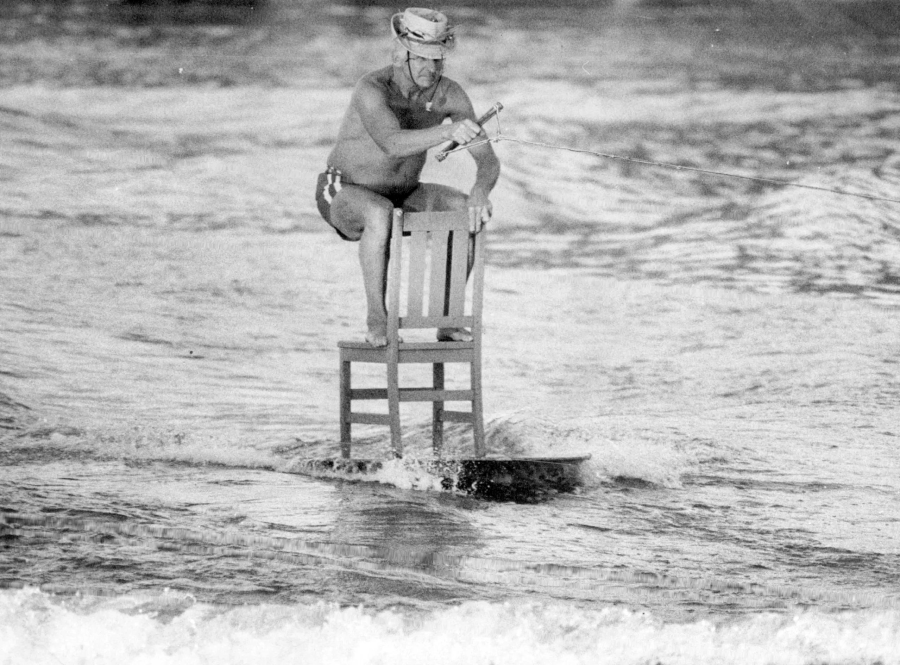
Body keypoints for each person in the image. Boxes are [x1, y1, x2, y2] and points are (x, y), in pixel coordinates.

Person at [315, 7, 501, 347]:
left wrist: (480, 191)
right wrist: (452, 130)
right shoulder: (371, 88)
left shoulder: (450, 95)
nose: (432, 69)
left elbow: (488, 161)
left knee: (465, 212)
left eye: (439, 60)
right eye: (423, 59)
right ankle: (377, 319)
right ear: (401, 55)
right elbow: (392, 144)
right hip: (346, 190)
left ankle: (447, 319)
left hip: (404, 192)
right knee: (378, 213)